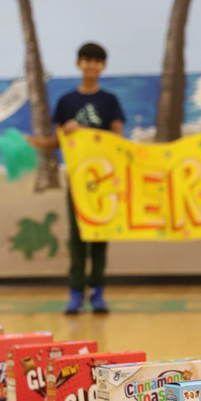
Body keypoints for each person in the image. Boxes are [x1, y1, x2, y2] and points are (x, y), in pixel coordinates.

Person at [27, 42, 125, 315]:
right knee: (78, 236)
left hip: (103, 180)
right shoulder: (67, 102)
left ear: (103, 66)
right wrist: (36, 141)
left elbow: (118, 138)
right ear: (78, 64)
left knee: (100, 236)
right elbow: (58, 141)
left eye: (97, 61)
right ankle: (75, 292)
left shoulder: (110, 101)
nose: (92, 65)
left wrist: (87, 132)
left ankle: (98, 291)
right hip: (78, 180)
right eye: (87, 60)